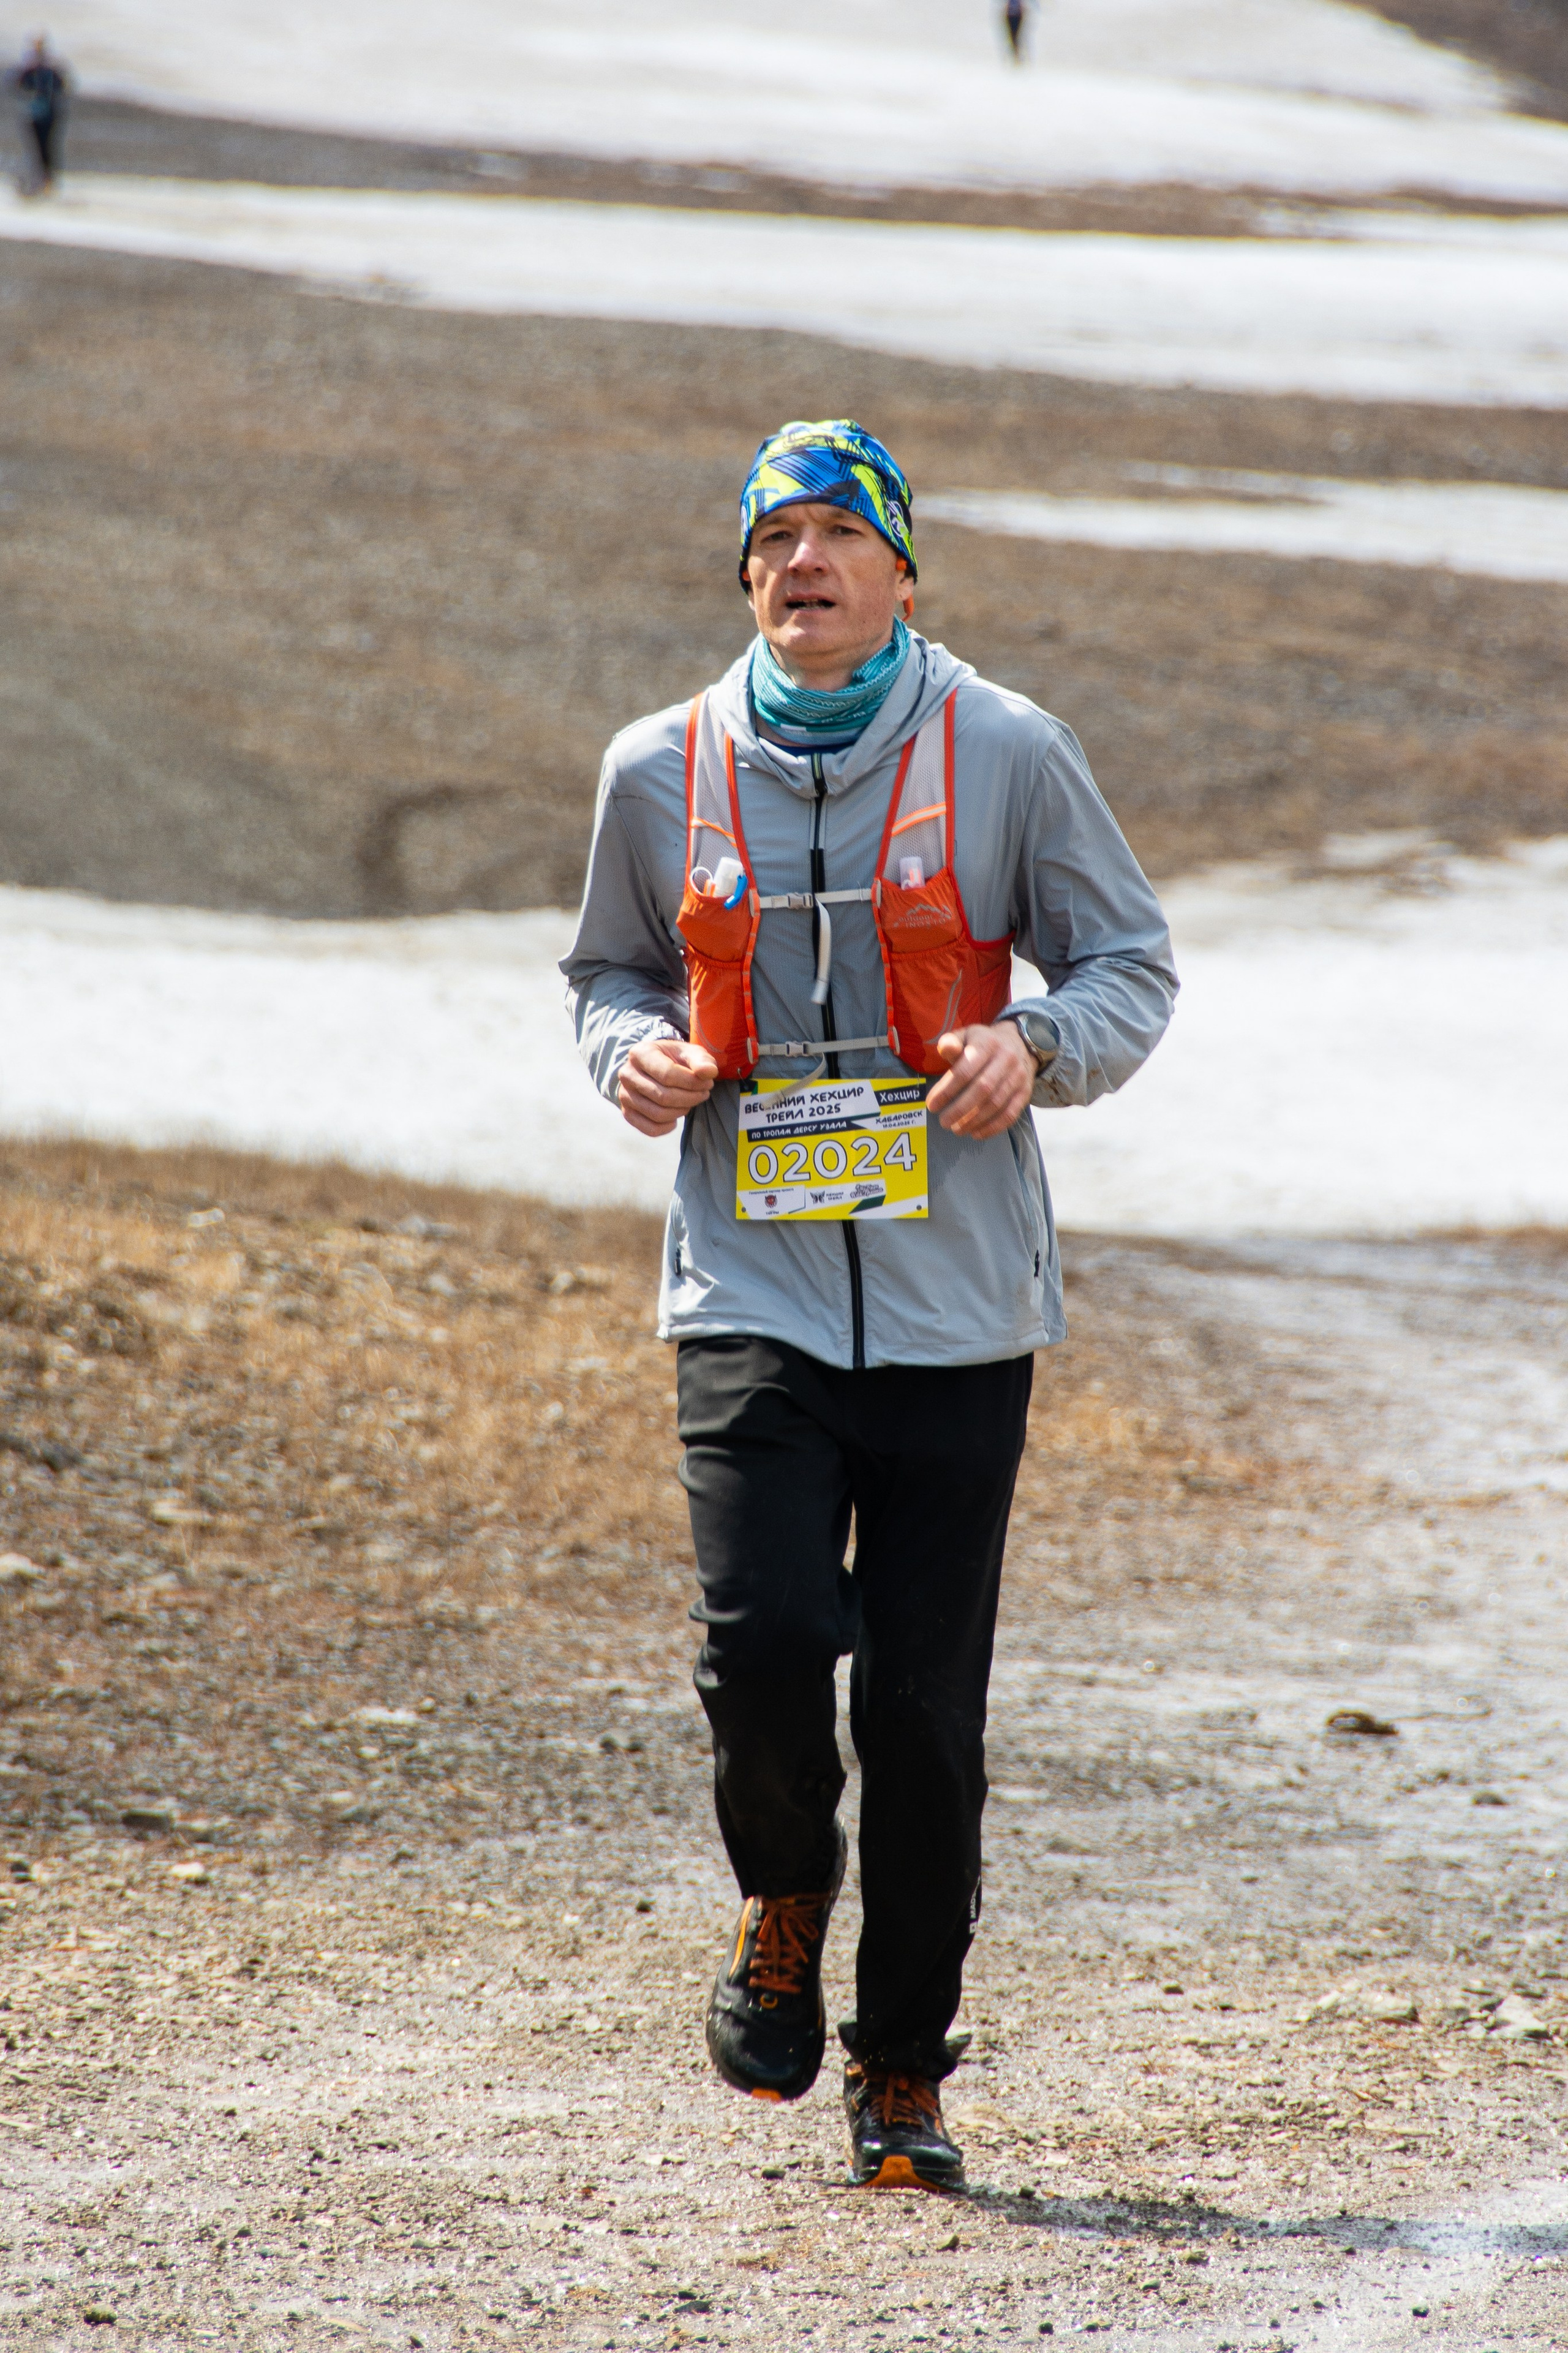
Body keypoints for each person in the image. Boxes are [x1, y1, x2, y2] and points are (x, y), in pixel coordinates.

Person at [563, 420, 1175, 2191]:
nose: (800, 564)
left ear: (906, 570)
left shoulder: (1009, 750)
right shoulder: (657, 765)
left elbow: (1130, 961)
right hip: (746, 1278)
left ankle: (900, 2069)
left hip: (957, 1305)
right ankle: (780, 1898)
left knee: (921, 1711)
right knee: (760, 1646)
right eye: (771, 542)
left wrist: (1033, 1043)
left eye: (839, 534)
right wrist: (633, 1051)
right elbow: (605, 963)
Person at [11, 33, 67, 194]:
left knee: (46, 147)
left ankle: (47, 181)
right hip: (34, 114)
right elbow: (19, 85)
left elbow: (61, 86)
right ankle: (41, 179)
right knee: (37, 148)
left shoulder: (50, 69)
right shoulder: (31, 69)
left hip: (48, 114)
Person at [1003, 0, 1030, 64]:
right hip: (1011, 15)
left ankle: (1017, 55)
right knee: (1013, 37)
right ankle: (1015, 56)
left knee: (1016, 37)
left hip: (1016, 15)